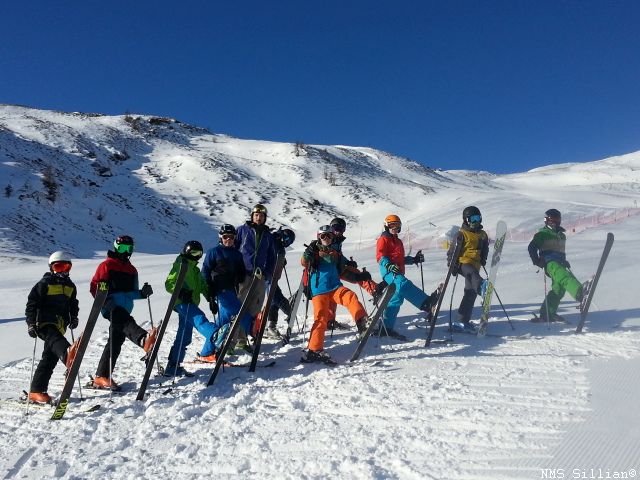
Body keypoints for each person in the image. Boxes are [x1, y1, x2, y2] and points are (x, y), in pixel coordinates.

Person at [89, 235, 155, 390]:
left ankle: (102, 376)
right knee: (126, 322)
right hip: (110, 307)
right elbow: (94, 287)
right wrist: (104, 300)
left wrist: (142, 293)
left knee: (115, 342)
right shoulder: (107, 265)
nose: (126, 252)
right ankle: (143, 339)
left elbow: (131, 292)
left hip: (125, 308)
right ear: (116, 248)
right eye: (122, 248)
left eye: (129, 248)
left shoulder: (132, 270)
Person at [300, 225, 370, 364]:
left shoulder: (335, 253)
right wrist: (308, 252)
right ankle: (314, 350)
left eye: (329, 236)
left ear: (333, 237)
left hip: (335, 287)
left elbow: (344, 268)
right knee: (321, 318)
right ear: (319, 237)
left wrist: (358, 276)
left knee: (350, 296)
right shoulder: (314, 251)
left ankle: (362, 321)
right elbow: (304, 262)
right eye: (323, 236)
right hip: (319, 290)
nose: (326, 238)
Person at [24, 252, 80, 404]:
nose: (62, 270)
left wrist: (74, 317)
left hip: (60, 325)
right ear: (51, 268)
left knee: (49, 358)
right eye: (58, 267)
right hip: (43, 323)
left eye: (66, 267)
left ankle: (37, 391)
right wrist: (30, 323)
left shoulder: (70, 286)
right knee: (54, 337)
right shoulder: (45, 283)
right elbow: (32, 304)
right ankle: (68, 354)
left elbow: (73, 304)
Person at [376, 214, 439, 340]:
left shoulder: (398, 241)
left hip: (397, 271)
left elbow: (400, 259)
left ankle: (385, 329)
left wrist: (414, 259)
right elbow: (380, 256)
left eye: (397, 225)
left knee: (396, 300)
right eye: (392, 225)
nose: (395, 228)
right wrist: (388, 265)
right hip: (389, 272)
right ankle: (427, 303)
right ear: (386, 226)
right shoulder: (383, 239)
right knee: (403, 284)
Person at [164, 240, 218, 376]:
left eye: (198, 254)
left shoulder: (195, 270)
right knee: (198, 318)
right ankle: (214, 333)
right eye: (193, 253)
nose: (196, 256)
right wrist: (181, 292)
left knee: (184, 336)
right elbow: (169, 283)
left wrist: (210, 297)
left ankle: (173, 366)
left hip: (191, 303)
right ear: (186, 252)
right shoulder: (180, 264)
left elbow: (202, 286)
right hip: (182, 302)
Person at [528, 209, 591, 322]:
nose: (555, 222)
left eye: (557, 219)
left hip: (560, 262)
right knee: (564, 276)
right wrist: (536, 261)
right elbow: (531, 247)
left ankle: (547, 314)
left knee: (559, 290)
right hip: (549, 262)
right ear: (546, 220)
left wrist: (564, 260)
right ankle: (579, 292)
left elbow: (560, 251)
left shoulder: (562, 236)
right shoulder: (542, 234)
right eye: (552, 219)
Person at [200, 224, 249, 359]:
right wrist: (209, 288)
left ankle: (208, 351)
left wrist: (241, 275)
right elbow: (205, 271)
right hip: (219, 290)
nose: (228, 239)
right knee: (239, 313)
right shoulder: (214, 252)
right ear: (220, 238)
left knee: (224, 321)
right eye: (225, 237)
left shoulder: (237, 254)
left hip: (232, 289)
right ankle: (250, 329)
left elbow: (241, 271)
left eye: (231, 237)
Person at [328, 217, 385, 328]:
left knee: (357, 273)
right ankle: (329, 320)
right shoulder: (328, 239)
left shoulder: (337, 240)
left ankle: (374, 290)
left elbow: (339, 256)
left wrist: (347, 262)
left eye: (341, 229)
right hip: (331, 271)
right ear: (331, 228)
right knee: (332, 293)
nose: (338, 231)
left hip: (338, 268)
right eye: (336, 228)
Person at [234, 204, 276, 351]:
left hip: (259, 276)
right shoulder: (242, 230)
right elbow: (234, 249)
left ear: (265, 218)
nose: (259, 218)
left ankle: (245, 335)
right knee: (241, 305)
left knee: (255, 307)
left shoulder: (268, 235)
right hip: (244, 274)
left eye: (262, 216)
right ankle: (238, 339)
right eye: (256, 215)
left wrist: (268, 273)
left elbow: (271, 257)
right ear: (252, 216)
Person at [447, 206, 489, 333]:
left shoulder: (483, 234)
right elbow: (452, 252)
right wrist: (452, 266)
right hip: (462, 263)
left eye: (477, 218)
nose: (476, 221)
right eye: (472, 219)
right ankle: (481, 287)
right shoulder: (461, 234)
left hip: (475, 265)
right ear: (466, 220)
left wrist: (483, 259)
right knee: (471, 273)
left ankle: (461, 321)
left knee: (470, 293)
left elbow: (485, 248)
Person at [265, 227, 296, 338]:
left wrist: (282, 261)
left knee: (273, 301)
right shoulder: (271, 239)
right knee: (277, 297)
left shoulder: (279, 245)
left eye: (289, 242)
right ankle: (290, 314)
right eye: (287, 240)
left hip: (272, 276)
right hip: (265, 276)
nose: (287, 243)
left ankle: (271, 326)